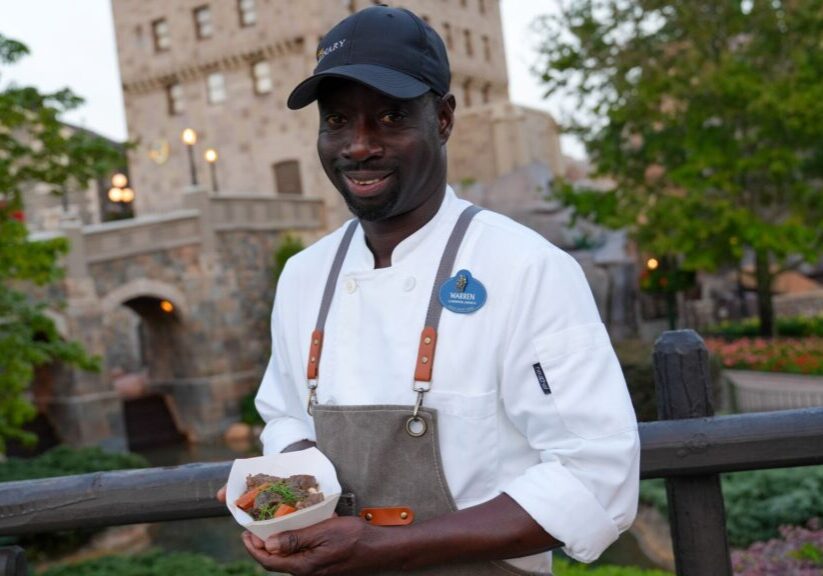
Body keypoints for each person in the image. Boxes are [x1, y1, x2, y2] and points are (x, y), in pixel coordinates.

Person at [226, 5, 640, 575]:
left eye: (391, 118)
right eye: (337, 120)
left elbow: (596, 476)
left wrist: (380, 549)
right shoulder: (303, 275)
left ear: (443, 118)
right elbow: (286, 417)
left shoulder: (526, 268)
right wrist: (286, 497)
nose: (358, 145)